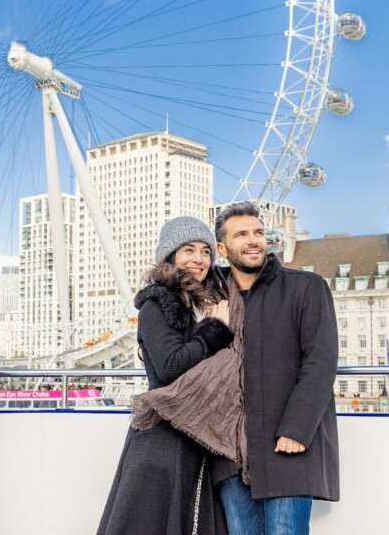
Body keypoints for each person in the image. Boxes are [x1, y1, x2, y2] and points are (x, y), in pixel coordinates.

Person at [97, 216, 234, 535]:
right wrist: (215, 329)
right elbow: (171, 365)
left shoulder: (196, 303)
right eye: (189, 250)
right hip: (163, 438)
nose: (199, 259)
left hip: (192, 435)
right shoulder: (156, 304)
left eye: (205, 251)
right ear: (170, 255)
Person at [211, 201, 339, 535]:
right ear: (223, 248)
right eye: (242, 234)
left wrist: (297, 429)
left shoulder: (307, 287)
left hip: (286, 447)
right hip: (229, 451)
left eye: (258, 232)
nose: (253, 240)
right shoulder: (212, 298)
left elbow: (321, 360)